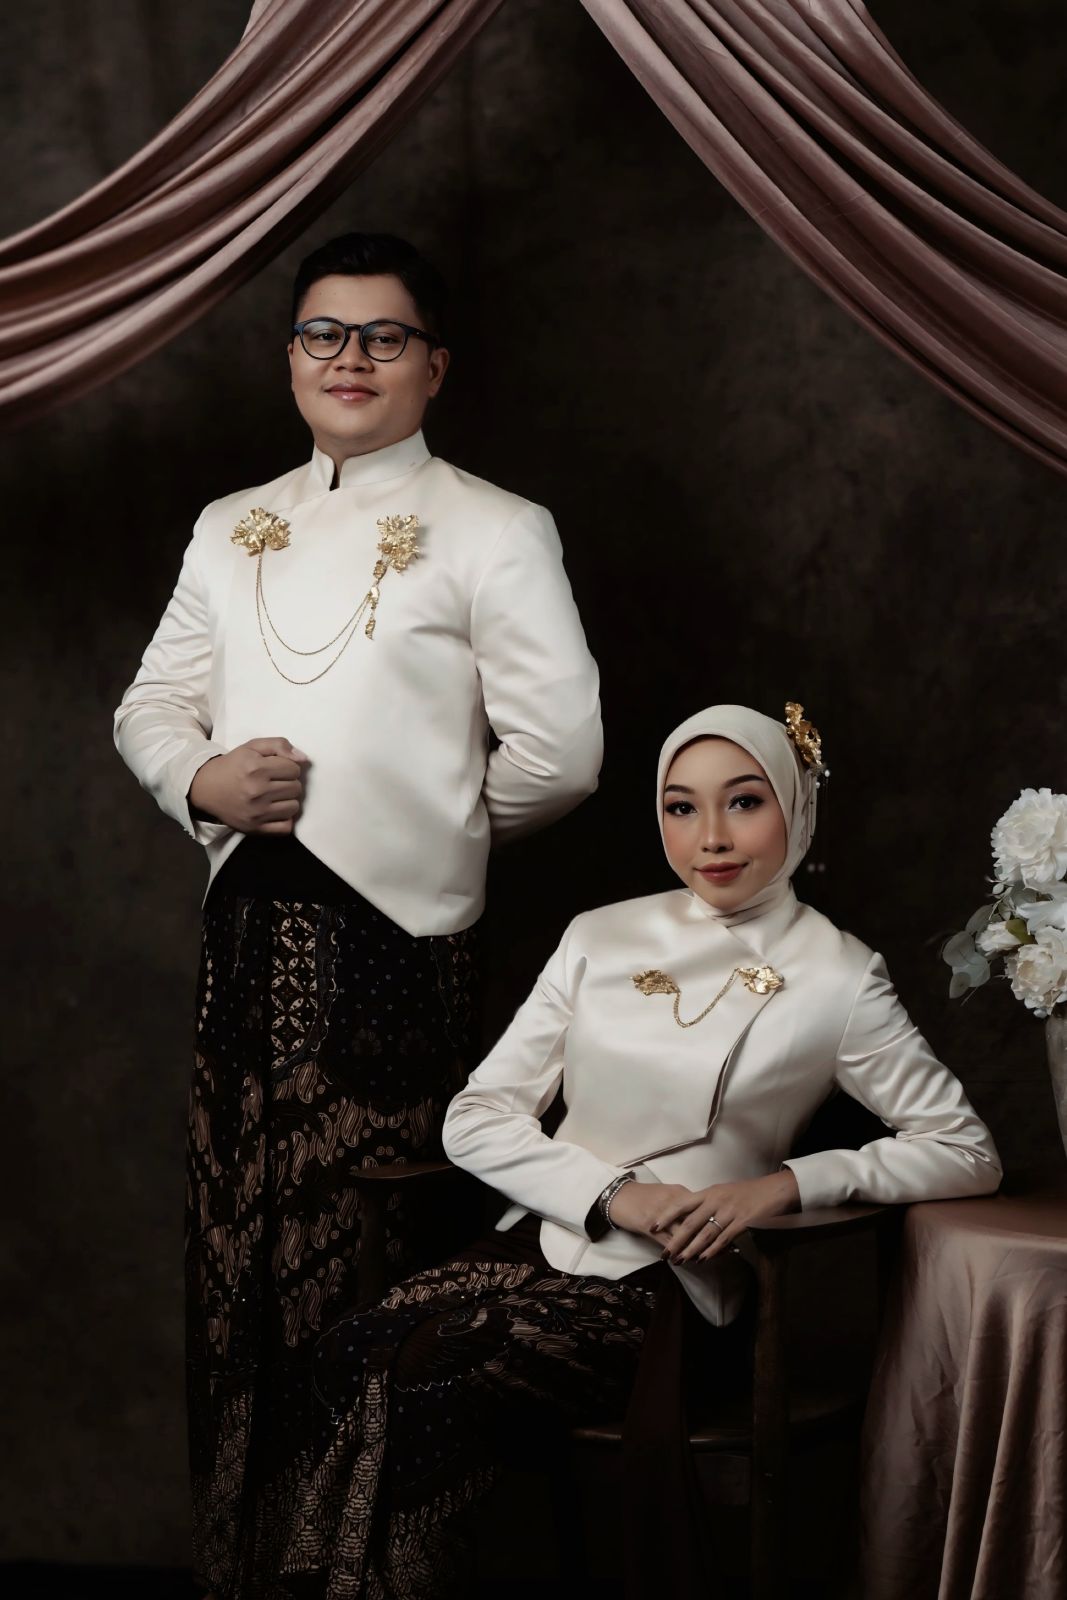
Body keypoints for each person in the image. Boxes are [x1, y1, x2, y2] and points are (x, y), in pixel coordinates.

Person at [113, 232, 602, 1600]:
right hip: (242, 947)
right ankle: (245, 1571)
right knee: (238, 1280)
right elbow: (150, 705)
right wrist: (199, 781)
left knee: (368, 1289)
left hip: (394, 962)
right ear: (290, 358)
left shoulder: (495, 527)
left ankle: (359, 1578)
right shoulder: (230, 524)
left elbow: (562, 754)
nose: (349, 358)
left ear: (432, 367)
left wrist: (419, 824)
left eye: (383, 336)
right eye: (322, 334)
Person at [290, 701, 1000, 1600]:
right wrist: (610, 1193)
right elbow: (477, 1117)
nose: (711, 837)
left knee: (433, 1375)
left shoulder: (838, 973)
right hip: (542, 1241)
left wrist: (783, 1185)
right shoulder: (599, 935)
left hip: (675, 1289)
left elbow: (963, 1148)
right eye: (680, 807)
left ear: (796, 804)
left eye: (744, 802)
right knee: (345, 1354)